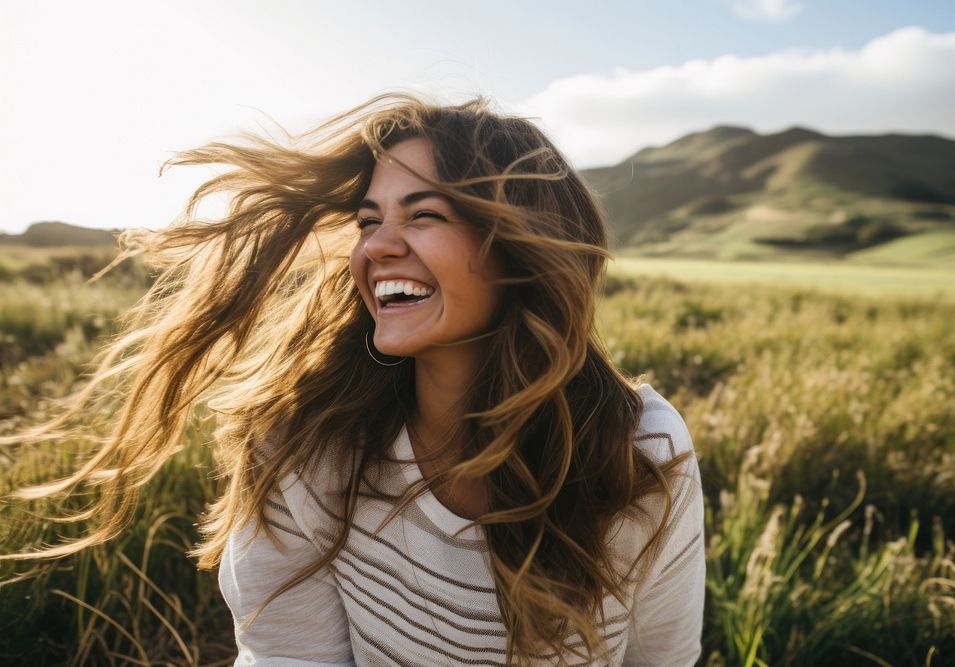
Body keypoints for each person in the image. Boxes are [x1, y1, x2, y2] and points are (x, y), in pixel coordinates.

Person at [3, 93, 705, 665]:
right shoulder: (303, 441)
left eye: (424, 215)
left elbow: (660, 658)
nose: (377, 246)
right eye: (369, 221)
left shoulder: (640, 447)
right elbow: (287, 657)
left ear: (519, 246)